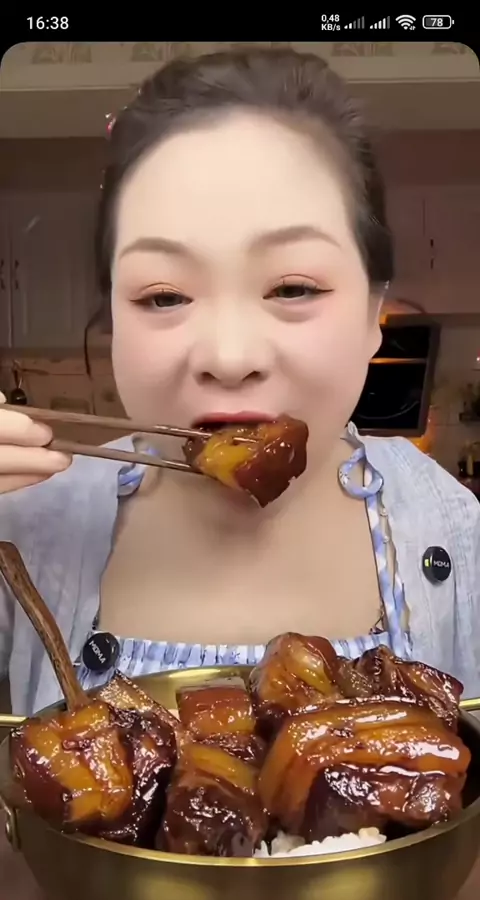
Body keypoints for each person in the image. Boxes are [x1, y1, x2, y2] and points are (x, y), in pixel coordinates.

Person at [0, 46, 479, 719]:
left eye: (293, 287)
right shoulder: (25, 524)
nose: (229, 357)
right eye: (164, 296)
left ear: (374, 312)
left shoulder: (454, 531)